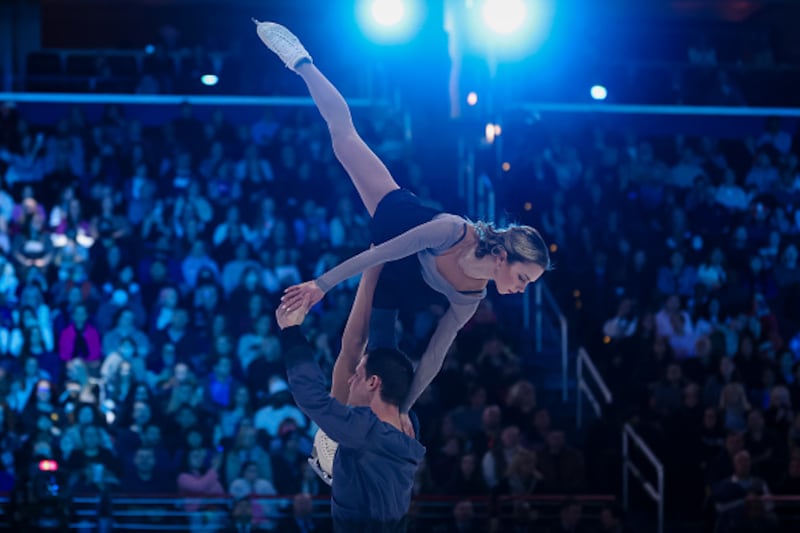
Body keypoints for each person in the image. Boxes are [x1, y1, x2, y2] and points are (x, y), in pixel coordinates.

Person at [254, 21, 551, 419]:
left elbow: (432, 359)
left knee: (361, 348)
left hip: (398, 279)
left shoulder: (472, 297)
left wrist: (403, 412)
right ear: (503, 257)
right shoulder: (452, 231)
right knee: (343, 139)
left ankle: (331, 438)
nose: (521, 289)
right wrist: (320, 285)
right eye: (523, 279)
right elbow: (383, 252)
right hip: (394, 226)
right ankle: (301, 60)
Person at [274, 271, 425, 531]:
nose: (351, 379)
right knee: (354, 350)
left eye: (359, 374)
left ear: (373, 382)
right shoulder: (407, 422)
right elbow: (382, 352)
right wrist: (381, 276)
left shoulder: (366, 430)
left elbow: (311, 396)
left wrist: (291, 331)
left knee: (351, 351)